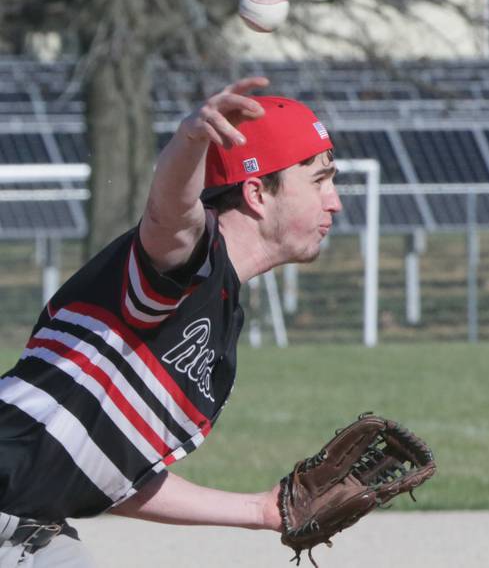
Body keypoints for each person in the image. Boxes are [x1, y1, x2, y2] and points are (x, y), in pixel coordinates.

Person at [0, 76, 342, 566]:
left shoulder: (221, 316)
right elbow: (171, 217)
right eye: (320, 180)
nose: (335, 201)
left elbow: (113, 471)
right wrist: (189, 143)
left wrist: (261, 511)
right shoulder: (188, 268)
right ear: (257, 193)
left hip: (31, 527)